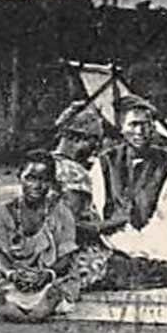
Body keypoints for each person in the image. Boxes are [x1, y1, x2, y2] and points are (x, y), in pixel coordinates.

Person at [0, 151, 108, 322]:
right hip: (10, 278)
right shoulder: (2, 212)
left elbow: (66, 256)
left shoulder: (61, 213)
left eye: (43, 179)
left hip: (48, 279)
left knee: (47, 301)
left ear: (52, 183)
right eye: (30, 178)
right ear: (20, 177)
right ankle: (10, 303)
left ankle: (42, 305)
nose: (36, 185)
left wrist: (47, 275)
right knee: (3, 300)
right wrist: (12, 274)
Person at [98, 95, 167, 262]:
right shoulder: (106, 161)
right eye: (133, 124)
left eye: (145, 125)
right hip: (114, 234)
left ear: (153, 128)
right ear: (122, 128)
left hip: (154, 236)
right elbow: (97, 205)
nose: (140, 132)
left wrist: (144, 239)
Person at [50, 101, 106, 241]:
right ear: (75, 138)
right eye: (94, 141)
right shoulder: (74, 173)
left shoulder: (45, 163)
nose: (96, 148)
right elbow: (71, 223)